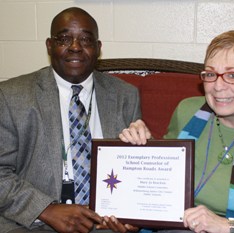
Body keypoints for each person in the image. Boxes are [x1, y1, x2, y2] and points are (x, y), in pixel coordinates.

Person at [119, 30, 234, 233]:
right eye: (211, 74)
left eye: (232, 75)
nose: (218, 87)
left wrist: (224, 226)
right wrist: (144, 149)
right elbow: (164, 183)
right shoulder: (186, 112)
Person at [0, 7, 140, 233]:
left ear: (98, 48)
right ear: (49, 45)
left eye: (86, 39)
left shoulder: (125, 95)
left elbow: (136, 170)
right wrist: (45, 209)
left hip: (105, 225)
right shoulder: (10, 95)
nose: (75, 47)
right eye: (64, 38)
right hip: (32, 223)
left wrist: (133, 213)